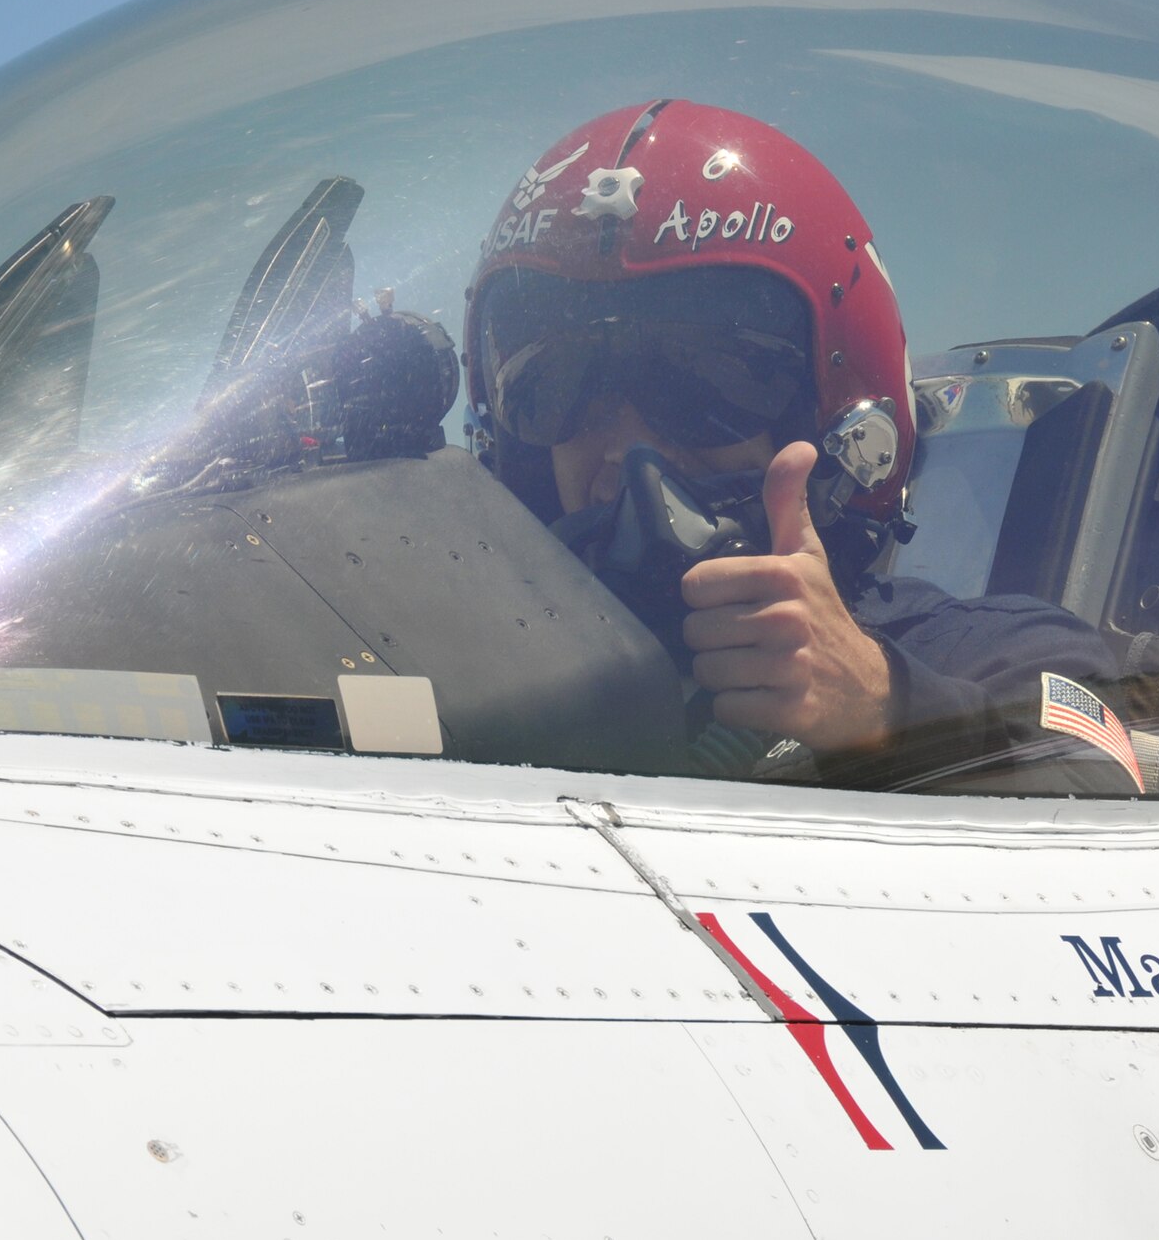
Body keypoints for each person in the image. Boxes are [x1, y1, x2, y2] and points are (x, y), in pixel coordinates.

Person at [463, 100, 1120, 787]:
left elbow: (1102, 790)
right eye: (560, 387)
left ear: (834, 426)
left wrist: (884, 707)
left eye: (697, 382)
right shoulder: (474, 663)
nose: (626, 451)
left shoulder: (988, 651)